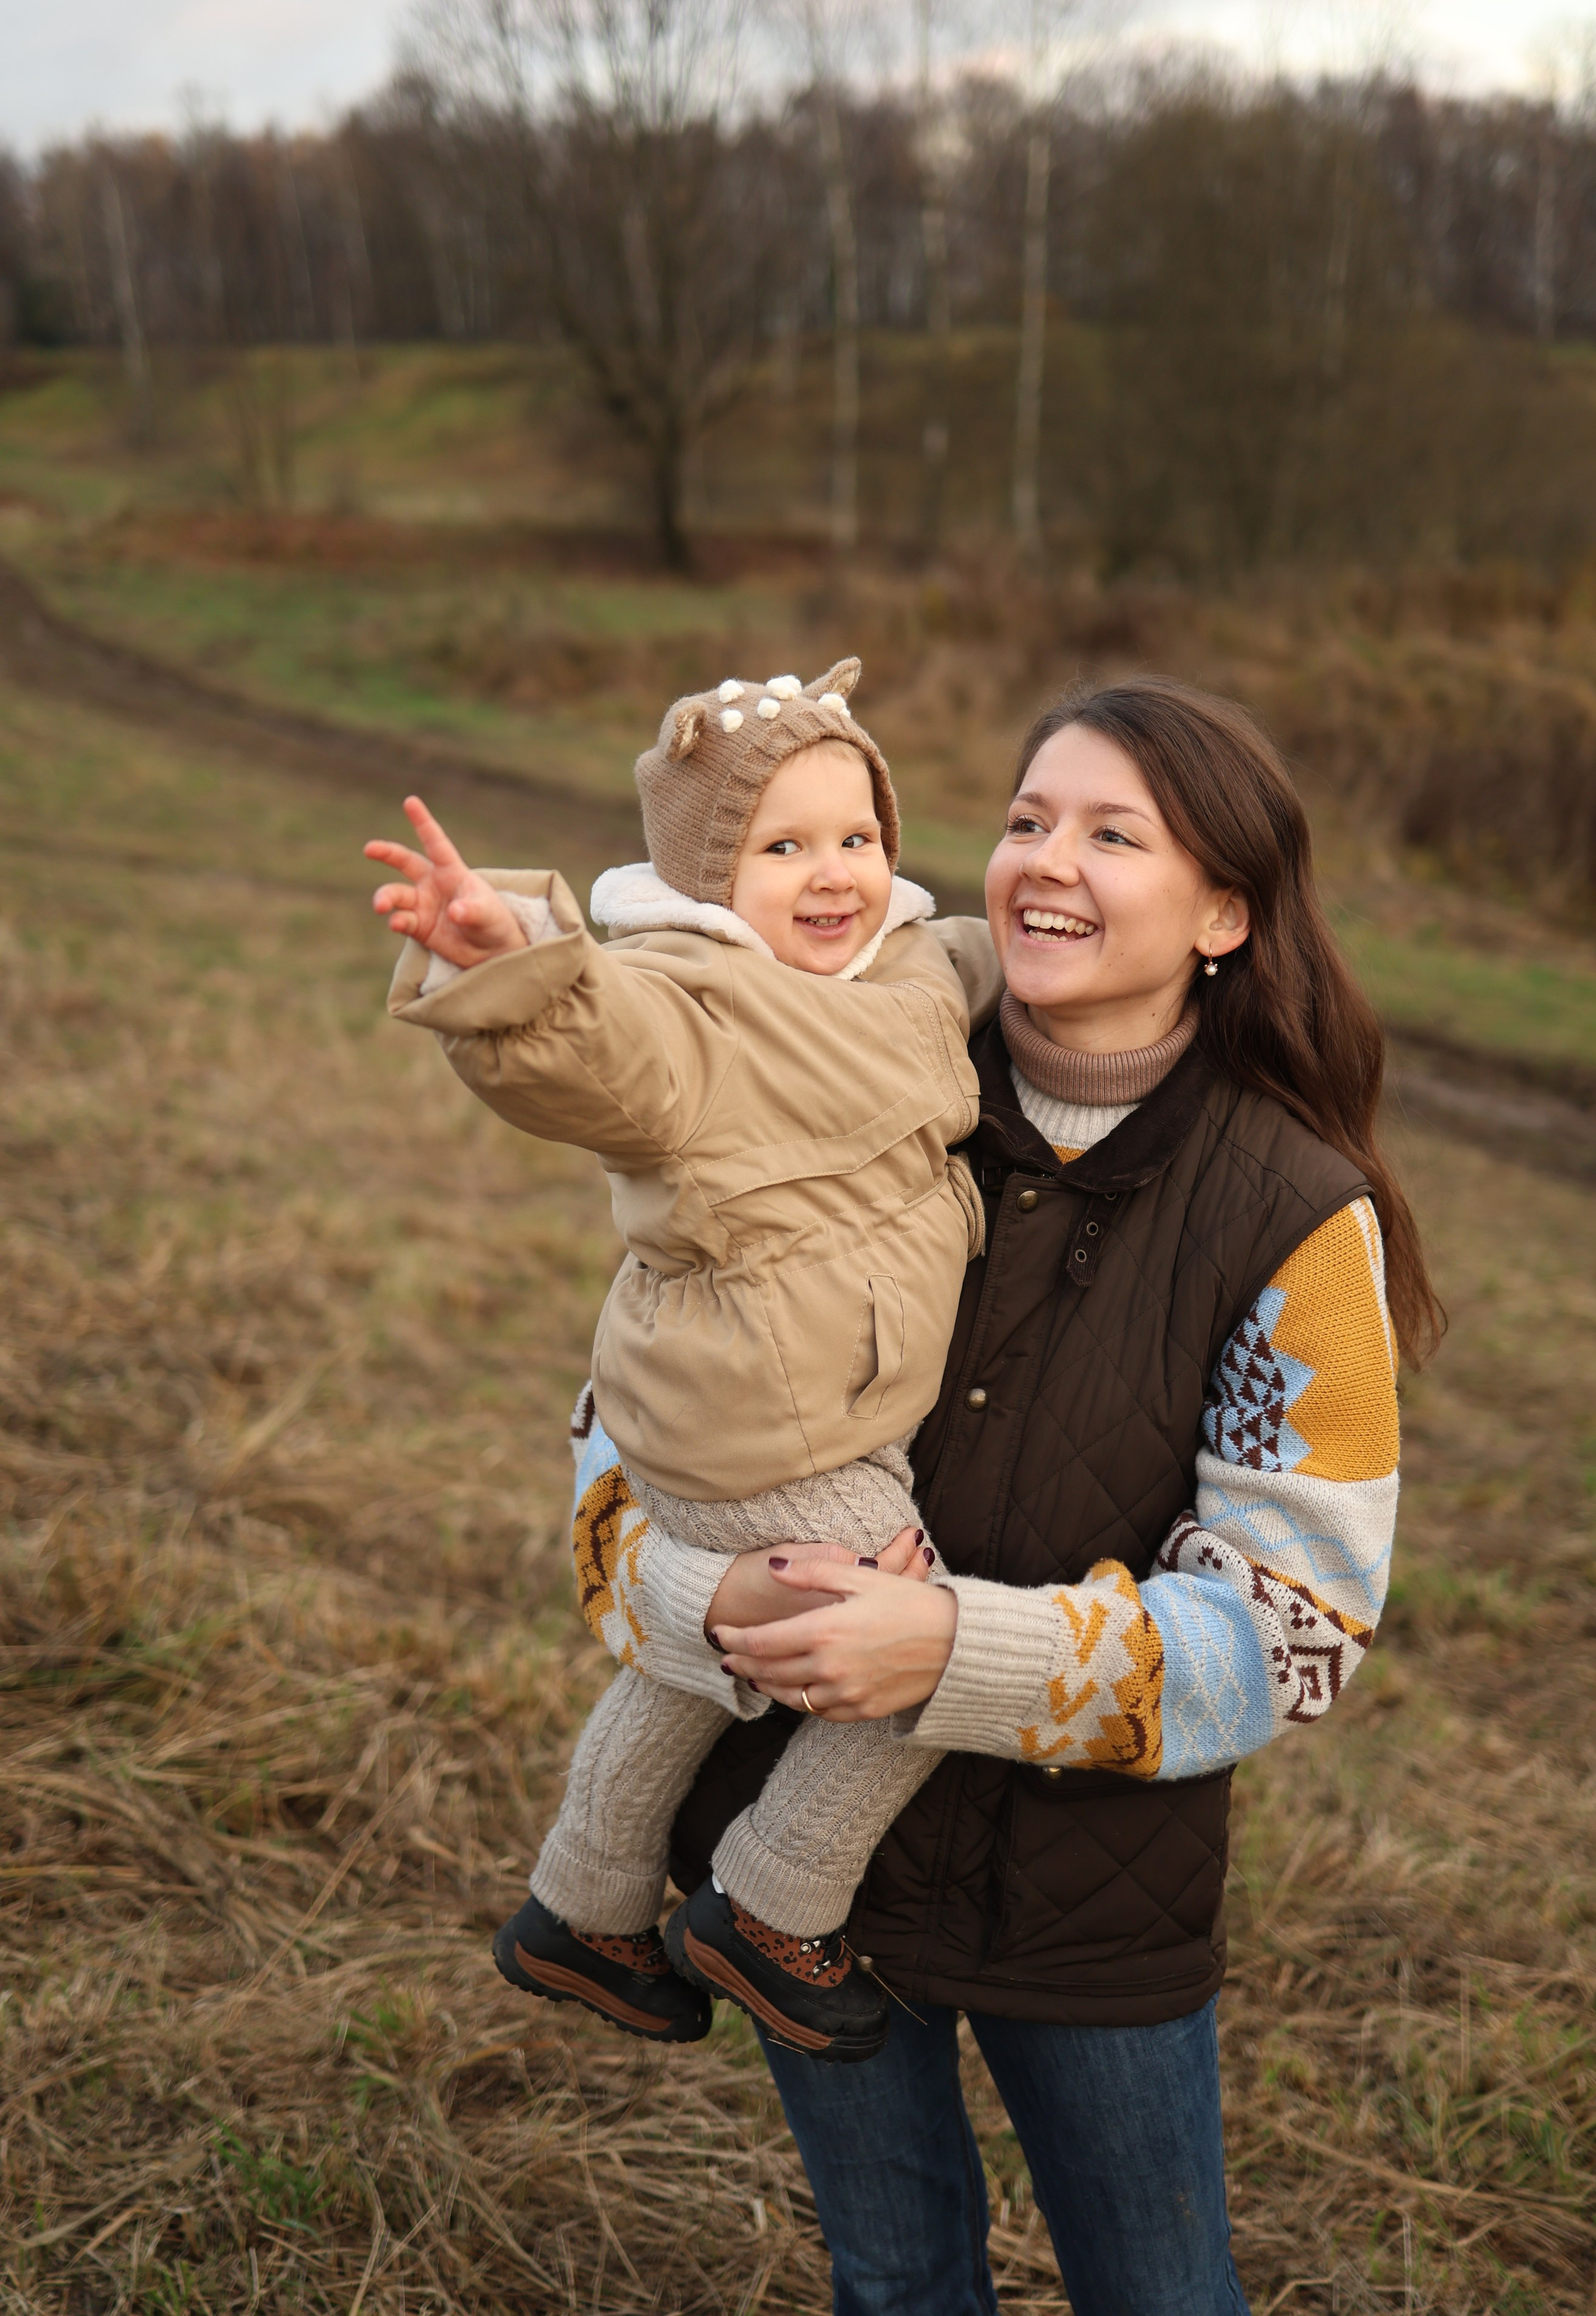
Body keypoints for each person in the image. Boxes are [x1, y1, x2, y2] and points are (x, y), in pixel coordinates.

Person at [569, 676, 1439, 2316]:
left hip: (1086, 1900)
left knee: (1159, 2295)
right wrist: (704, 1614)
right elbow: (623, 1441)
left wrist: (945, 1652)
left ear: (1223, 914)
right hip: (790, 1881)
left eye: (1115, 834)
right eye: (1027, 818)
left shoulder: (1295, 1220)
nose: (1045, 861)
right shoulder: (826, 1059)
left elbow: (1298, 1625)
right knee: (895, 2284)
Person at [365, 659, 1002, 2061]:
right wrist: (507, 959)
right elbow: (592, 1042)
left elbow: (972, 959)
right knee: (924, 1654)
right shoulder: (691, 1003)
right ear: (711, 883)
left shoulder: (901, 963)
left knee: (684, 1667)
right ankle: (770, 1903)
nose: (832, 874)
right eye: (782, 848)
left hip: (770, 1408)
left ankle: (579, 1908)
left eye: (856, 837)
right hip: (760, 1424)